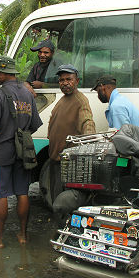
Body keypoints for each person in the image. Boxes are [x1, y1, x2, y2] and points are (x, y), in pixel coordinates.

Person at [0, 56, 42, 248]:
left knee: (1, 195)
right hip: (23, 152)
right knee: (23, 193)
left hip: (1, 152)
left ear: (4, 74)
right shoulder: (27, 94)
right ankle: (22, 235)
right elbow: (35, 125)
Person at [47, 65, 96, 217]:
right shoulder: (63, 99)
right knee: (57, 200)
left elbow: (87, 124)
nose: (64, 83)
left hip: (69, 163)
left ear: (77, 81)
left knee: (66, 204)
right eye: (61, 80)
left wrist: (88, 149)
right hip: (56, 160)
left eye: (69, 79)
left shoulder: (80, 100)